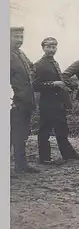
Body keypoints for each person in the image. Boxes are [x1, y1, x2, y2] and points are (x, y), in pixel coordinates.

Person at [33, 37, 79, 164]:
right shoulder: (39, 65)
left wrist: (67, 87)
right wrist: (53, 84)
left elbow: (61, 80)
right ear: (43, 48)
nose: (51, 49)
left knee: (62, 128)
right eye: (48, 47)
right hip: (47, 102)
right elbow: (35, 85)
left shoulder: (54, 63)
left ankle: (68, 153)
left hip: (58, 102)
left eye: (54, 47)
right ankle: (44, 158)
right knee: (45, 130)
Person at [10, 26, 39, 173]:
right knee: (9, 134)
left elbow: (32, 67)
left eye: (21, 37)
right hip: (13, 102)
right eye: (16, 37)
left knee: (21, 133)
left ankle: (21, 165)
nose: (19, 40)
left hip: (25, 100)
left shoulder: (20, 54)